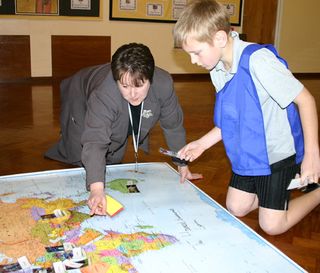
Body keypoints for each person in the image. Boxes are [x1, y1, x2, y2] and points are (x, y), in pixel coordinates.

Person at [173, 0, 320, 235]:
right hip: (250, 152)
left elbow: (306, 101)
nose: (193, 61)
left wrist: (312, 156)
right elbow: (231, 121)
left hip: (276, 155)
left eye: (196, 52)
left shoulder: (259, 61)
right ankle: (276, 195)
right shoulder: (218, 69)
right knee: (236, 207)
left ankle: (316, 191)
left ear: (220, 39)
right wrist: (201, 144)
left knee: (271, 225)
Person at [45, 43, 202, 215]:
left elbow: (173, 125)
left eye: (139, 86)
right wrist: (96, 189)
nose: (132, 94)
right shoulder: (104, 93)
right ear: (116, 79)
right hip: (80, 95)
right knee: (78, 152)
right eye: (125, 86)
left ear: (150, 78)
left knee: (113, 155)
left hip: (112, 100)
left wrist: (182, 165)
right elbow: (96, 140)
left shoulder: (164, 83)